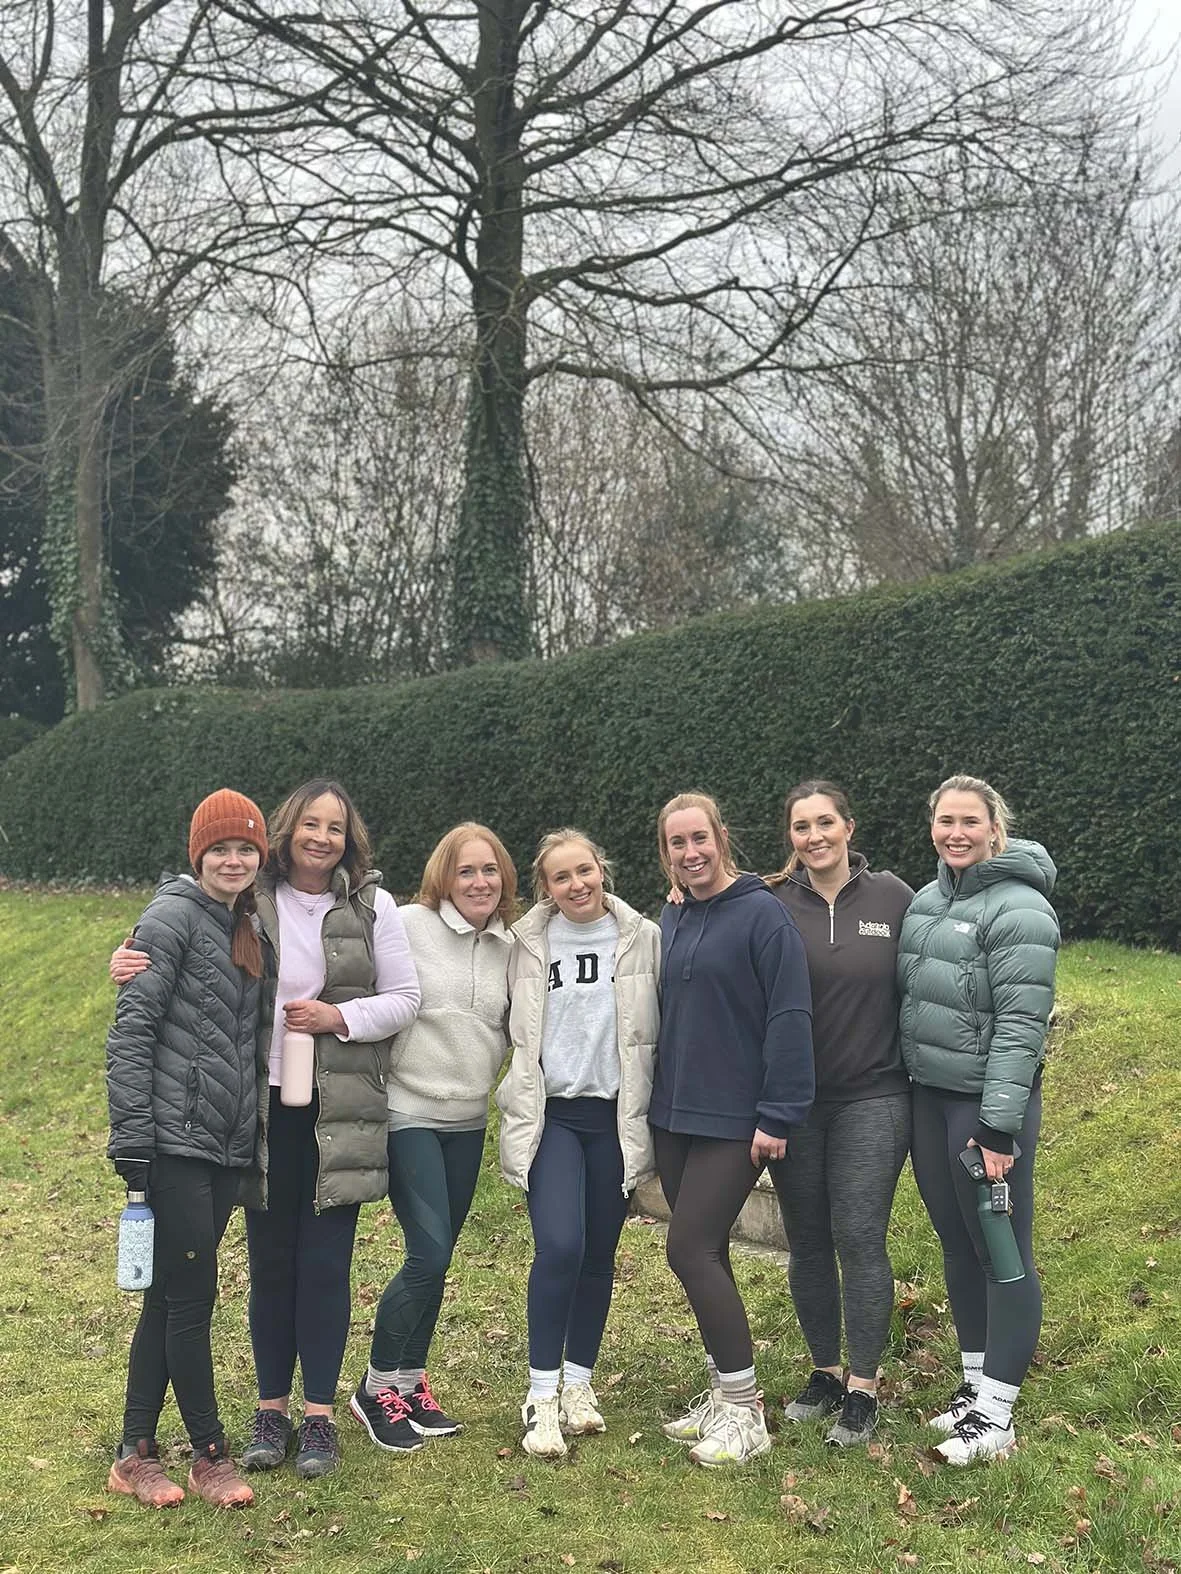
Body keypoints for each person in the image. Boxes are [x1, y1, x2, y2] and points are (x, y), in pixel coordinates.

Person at [112, 779, 421, 1480]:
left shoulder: (373, 906)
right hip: (252, 1110)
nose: (321, 837)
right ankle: (269, 1409)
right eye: (309, 824)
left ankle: (318, 1419)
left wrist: (337, 1018)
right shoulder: (255, 897)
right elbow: (184, 921)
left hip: (336, 1110)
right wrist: (130, 953)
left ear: (350, 839)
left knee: (325, 1266)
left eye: (335, 827)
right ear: (284, 832)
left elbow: (405, 1000)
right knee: (270, 1263)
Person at [106, 789, 268, 1510]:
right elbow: (131, 1034)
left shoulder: (245, 923)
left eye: (245, 849)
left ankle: (134, 1452)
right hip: (172, 1145)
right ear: (196, 855)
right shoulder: (170, 918)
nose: (232, 860)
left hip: (224, 1146)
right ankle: (209, 1452)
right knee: (192, 1297)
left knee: (169, 1297)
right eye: (219, 850)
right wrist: (134, 1139)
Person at [897, 774, 1058, 1465]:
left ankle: (997, 1417)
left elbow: (1022, 1025)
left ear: (995, 828)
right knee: (958, 1246)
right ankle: (972, 1387)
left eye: (969, 822)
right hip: (928, 1100)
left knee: (1001, 1253)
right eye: (944, 821)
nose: (954, 833)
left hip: (984, 1109)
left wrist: (997, 1128)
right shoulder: (926, 900)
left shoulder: (1021, 909)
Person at [653, 792, 813, 1467]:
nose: (690, 853)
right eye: (676, 843)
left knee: (686, 1250)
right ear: (664, 853)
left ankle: (746, 1414)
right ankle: (723, 1395)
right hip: (672, 1115)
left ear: (721, 837)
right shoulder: (669, 914)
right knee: (707, 1251)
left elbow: (789, 1015)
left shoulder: (761, 915)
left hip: (733, 1119)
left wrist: (778, 1112)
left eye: (699, 838)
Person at [349, 823, 516, 1453]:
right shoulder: (408, 925)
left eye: (490, 870)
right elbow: (332, 948)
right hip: (409, 1112)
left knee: (438, 1261)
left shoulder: (512, 946)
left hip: (468, 1119)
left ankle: (412, 1382)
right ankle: (374, 1388)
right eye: (465, 871)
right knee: (428, 1254)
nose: (479, 882)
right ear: (443, 877)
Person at [497, 829, 660, 1459]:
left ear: (602, 869)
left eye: (585, 870)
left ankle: (579, 1386)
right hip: (553, 1119)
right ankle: (540, 1395)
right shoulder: (525, 946)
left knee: (599, 1253)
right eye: (561, 878)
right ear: (546, 888)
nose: (577, 885)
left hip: (615, 1118)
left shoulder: (643, 937)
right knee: (560, 1244)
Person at [765, 781, 914, 1447]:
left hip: (874, 1095)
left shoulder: (894, 899)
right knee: (806, 1241)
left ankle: (862, 1385)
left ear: (848, 827)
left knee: (857, 1234)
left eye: (825, 822)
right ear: (790, 838)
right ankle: (823, 1372)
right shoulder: (769, 904)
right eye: (801, 826)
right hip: (795, 1102)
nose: (814, 835)